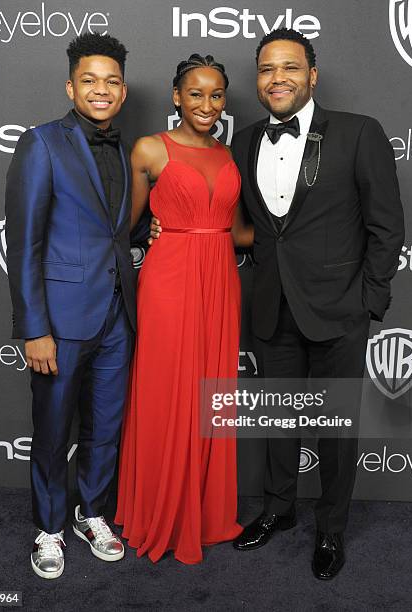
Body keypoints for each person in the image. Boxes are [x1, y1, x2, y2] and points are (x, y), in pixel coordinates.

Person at [152, 29, 404, 579]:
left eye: (290, 67)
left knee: (336, 430)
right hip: (271, 305)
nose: (278, 78)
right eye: (266, 70)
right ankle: (279, 510)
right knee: (279, 418)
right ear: (258, 80)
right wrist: (162, 226)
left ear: (312, 75)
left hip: (340, 309)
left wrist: (369, 301)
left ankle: (331, 530)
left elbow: (386, 226)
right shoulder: (242, 142)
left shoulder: (360, 133)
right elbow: (219, 213)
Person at [5, 32, 136, 579]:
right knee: (54, 429)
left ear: (123, 91)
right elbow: (25, 241)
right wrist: (34, 328)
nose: (100, 90)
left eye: (110, 81)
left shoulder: (125, 150)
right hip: (59, 322)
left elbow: (113, 232)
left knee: (105, 427)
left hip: (117, 317)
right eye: (89, 80)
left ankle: (93, 514)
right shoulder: (42, 143)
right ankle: (50, 528)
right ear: (70, 86)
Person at [114, 54, 247, 564]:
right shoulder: (151, 148)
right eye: (195, 93)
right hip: (169, 281)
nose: (207, 104)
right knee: (167, 393)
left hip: (221, 280)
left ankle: (207, 512)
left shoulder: (229, 154)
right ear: (176, 96)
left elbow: (236, 233)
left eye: (216, 95)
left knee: (211, 398)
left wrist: (303, 236)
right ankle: (159, 514)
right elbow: (124, 224)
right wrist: (147, 228)